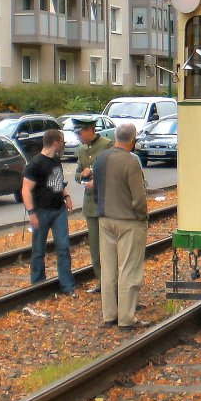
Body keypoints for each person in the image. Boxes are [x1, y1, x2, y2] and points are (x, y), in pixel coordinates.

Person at [93, 123, 149, 328]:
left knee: (108, 269)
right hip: (128, 220)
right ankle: (126, 318)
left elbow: (95, 190)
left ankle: (109, 315)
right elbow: (139, 197)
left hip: (105, 218)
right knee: (128, 270)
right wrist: (141, 216)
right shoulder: (130, 162)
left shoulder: (101, 158)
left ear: (116, 137)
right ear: (133, 139)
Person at [21, 129, 75, 296]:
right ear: (56, 142)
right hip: (41, 211)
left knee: (63, 247)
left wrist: (66, 196)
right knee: (38, 250)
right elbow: (26, 190)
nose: (63, 145)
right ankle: (37, 285)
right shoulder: (35, 164)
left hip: (58, 210)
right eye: (62, 141)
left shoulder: (56, 161)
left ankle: (67, 286)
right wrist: (31, 213)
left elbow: (58, 182)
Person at [73, 116, 113, 293]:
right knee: (95, 247)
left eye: (80, 132)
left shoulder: (107, 145)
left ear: (90, 130)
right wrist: (82, 174)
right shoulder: (82, 150)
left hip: (106, 203)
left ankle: (112, 282)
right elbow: (76, 174)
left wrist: (95, 181)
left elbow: (111, 172)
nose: (78, 136)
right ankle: (101, 281)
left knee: (109, 246)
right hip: (90, 204)